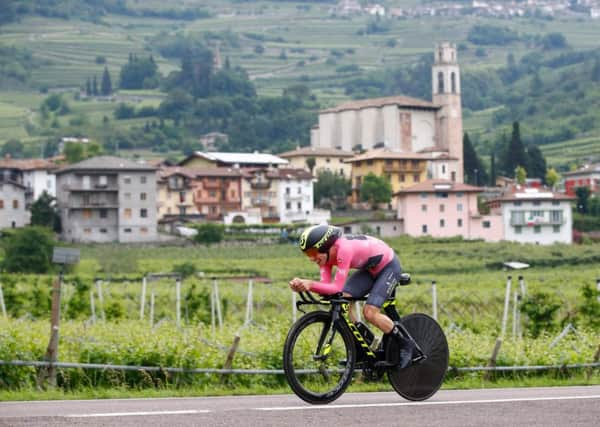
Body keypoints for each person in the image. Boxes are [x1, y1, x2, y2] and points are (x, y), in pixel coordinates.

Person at [289, 224, 422, 368]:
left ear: (327, 245)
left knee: (369, 312)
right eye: (308, 254)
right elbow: (327, 289)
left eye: (314, 253)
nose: (312, 258)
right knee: (344, 302)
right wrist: (302, 287)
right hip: (370, 269)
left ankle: (406, 344)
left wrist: (309, 284)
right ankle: (363, 345)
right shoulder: (325, 258)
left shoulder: (343, 250)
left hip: (389, 266)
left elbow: (335, 287)